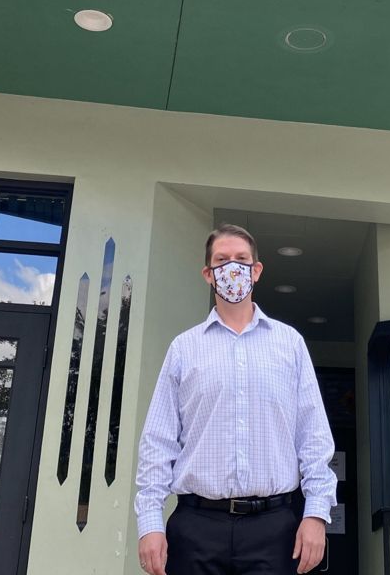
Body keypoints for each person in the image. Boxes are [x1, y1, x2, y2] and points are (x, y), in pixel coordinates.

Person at [135, 224, 336, 575]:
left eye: (241, 259)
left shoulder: (289, 345)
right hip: (195, 527)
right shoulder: (184, 349)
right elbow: (158, 441)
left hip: (274, 530)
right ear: (208, 274)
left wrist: (316, 514)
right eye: (222, 260)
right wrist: (150, 522)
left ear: (256, 270)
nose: (232, 268)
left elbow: (314, 436)